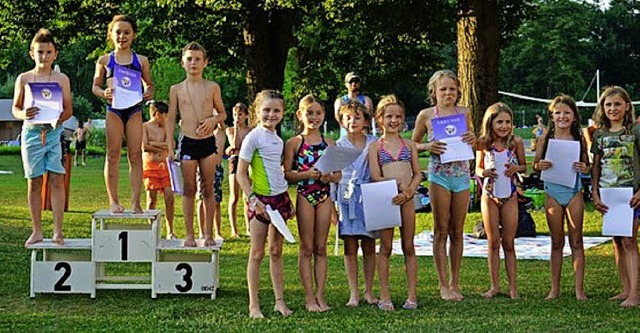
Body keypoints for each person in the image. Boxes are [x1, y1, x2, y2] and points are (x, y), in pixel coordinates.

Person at [411, 70, 475, 300]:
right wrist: (428, 147)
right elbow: (411, 144)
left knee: (457, 231)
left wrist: (472, 139)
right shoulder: (426, 115)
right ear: (434, 92)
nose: (448, 93)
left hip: (461, 176)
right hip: (439, 176)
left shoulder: (465, 113)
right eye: (443, 89)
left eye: (452, 89)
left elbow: (472, 139)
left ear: (458, 91)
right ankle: (442, 284)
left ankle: (455, 282)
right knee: (441, 229)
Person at [236, 90, 294, 319]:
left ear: (283, 113)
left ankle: (280, 302)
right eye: (266, 110)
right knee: (257, 253)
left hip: (279, 200)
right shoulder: (253, 137)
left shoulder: (278, 139)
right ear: (257, 112)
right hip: (260, 201)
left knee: (276, 251)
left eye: (276, 110)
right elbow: (241, 173)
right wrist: (253, 199)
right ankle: (254, 305)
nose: (271, 114)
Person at [12, 28, 73, 246]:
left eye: (48, 52)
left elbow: (68, 109)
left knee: (57, 180)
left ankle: (58, 231)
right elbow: (15, 109)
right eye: (40, 52)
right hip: (31, 133)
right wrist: (22, 114)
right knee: (34, 181)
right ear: (32, 54)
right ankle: (37, 230)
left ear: (55, 54)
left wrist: (59, 120)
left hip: (54, 132)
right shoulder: (24, 78)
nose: (44, 57)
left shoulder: (61, 78)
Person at [283, 94, 340, 312]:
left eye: (317, 113)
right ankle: (309, 298)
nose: (313, 117)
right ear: (300, 115)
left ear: (324, 115)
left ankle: (320, 295)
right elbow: (288, 174)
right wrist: (307, 174)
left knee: (321, 247)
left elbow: (338, 175)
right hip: (305, 194)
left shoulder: (330, 143)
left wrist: (328, 177)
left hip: (324, 196)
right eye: (309, 113)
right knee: (306, 248)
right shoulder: (295, 143)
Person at [92, 14, 154, 214]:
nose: (122, 36)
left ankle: (136, 202)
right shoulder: (104, 60)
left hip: (134, 109)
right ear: (111, 34)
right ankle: (114, 201)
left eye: (127, 32)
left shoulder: (141, 61)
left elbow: (150, 85)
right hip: (114, 110)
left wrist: (148, 92)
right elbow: (95, 86)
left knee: (136, 155)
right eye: (118, 32)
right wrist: (103, 93)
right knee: (113, 154)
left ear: (134, 35)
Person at [166, 42, 226, 247]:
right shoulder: (176, 89)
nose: (194, 63)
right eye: (189, 59)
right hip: (188, 142)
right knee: (189, 188)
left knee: (208, 187)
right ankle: (189, 234)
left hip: (207, 143)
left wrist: (212, 121)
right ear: (182, 63)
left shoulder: (212, 87)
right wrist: (169, 144)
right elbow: (171, 118)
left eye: (198, 59)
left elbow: (223, 114)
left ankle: (208, 233)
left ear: (205, 63)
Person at [533, 95, 590, 300]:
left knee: (576, 240)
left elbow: (587, 165)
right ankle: (554, 288)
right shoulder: (545, 139)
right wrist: (540, 165)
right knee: (556, 241)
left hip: (574, 191)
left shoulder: (579, 139)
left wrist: (585, 167)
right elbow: (535, 165)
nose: (562, 116)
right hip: (552, 191)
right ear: (552, 115)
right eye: (558, 112)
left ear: (574, 116)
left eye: (567, 112)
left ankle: (579, 289)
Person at [368, 95, 421, 311]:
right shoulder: (375, 147)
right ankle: (385, 295)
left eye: (398, 116)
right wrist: (393, 188)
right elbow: (375, 176)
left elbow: (417, 173)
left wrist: (408, 192)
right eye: (389, 116)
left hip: (407, 199)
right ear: (379, 118)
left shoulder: (409, 145)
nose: (394, 120)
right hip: (387, 199)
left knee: (409, 246)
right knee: (386, 247)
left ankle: (412, 294)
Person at [591, 86, 640, 307]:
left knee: (630, 240)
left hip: (631, 194)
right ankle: (625, 289)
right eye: (608, 105)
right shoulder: (599, 135)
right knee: (618, 241)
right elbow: (596, 166)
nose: (613, 108)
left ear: (627, 106)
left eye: (617, 104)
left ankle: (635, 294)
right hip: (608, 194)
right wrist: (594, 191)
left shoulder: (635, 131)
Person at [475, 102, 527, 299]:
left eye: (507, 122)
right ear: (491, 123)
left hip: (510, 194)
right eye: (499, 122)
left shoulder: (516, 143)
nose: (504, 126)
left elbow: (524, 166)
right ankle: (494, 285)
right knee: (493, 241)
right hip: (489, 195)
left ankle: (513, 287)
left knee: (509, 242)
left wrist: (517, 169)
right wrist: (484, 172)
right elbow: (478, 169)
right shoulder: (483, 143)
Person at [335, 101, 378, 307]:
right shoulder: (338, 145)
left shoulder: (374, 143)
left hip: (368, 196)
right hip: (345, 198)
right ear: (342, 121)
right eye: (348, 117)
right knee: (350, 246)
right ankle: (354, 293)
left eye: (357, 117)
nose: (353, 121)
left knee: (369, 245)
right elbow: (333, 177)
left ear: (366, 121)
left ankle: (369, 291)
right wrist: (334, 205)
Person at [142, 100, 175, 239]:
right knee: (151, 199)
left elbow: (171, 144)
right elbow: (145, 146)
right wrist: (161, 146)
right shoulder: (145, 127)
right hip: (151, 166)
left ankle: (170, 230)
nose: (166, 118)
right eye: (165, 115)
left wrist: (155, 144)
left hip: (165, 166)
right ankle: (152, 230)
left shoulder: (167, 127)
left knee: (169, 197)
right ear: (157, 114)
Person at [226, 102, 252, 237]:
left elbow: (248, 148)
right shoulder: (230, 130)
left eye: (240, 115)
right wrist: (236, 128)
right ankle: (234, 229)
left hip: (247, 162)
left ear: (246, 115)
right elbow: (234, 144)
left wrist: (236, 148)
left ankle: (248, 227)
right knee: (234, 196)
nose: (237, 117)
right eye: (235, 115)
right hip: (235, 161)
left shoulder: (251, 131)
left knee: (247, 197)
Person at [197, 121, 226, 240]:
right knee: (201, 200)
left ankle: (217, 231)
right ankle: (201, 231)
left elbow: (222, 125)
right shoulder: (200, 133)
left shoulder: (219, 133)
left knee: (216, 202)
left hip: (216, 169)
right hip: (202, 169)